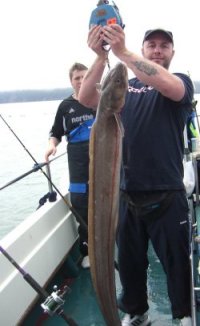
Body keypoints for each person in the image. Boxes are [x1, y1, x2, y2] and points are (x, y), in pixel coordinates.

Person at [78, 25, 194, 326]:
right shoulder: (125, 89)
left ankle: (182, 316)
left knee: (177, 266)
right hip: (127, 195)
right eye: (151, 45)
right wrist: (101, 57)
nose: (157, 50)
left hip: (168, 195)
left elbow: (169, 86)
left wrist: (123, 53)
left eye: (163, 46)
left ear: (172, 52)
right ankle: (137, 312)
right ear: (143, 49)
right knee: (130, 267)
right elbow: (86, 97)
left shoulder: (179, 83)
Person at [45, 62, 96, 269]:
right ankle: (88, 250)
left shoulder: (98, 100)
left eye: (86, 76)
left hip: (101, 158)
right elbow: (55, 132)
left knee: (106, 200)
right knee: (80, 203)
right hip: (77, 163)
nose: (82, 81)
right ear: (71, 81)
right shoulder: (65, 106)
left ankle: (113, 241)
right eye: (78, 78)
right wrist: (51, 146)